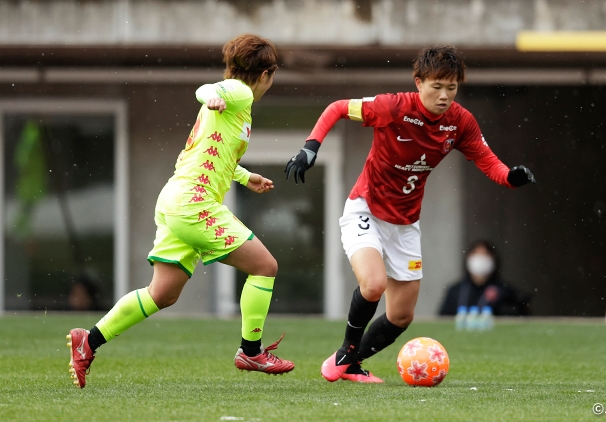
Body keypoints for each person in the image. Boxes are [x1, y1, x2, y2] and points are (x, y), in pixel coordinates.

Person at [285, 45, 536, 384]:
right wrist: (310, 146)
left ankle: (353, 363)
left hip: (405, 223)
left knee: (401, 316)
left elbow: (486, 160)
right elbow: (337, 108)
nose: (445, 95)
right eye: (437, 86)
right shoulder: (392, 107)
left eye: (452, 88)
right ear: (418, 82)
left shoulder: (460, 122)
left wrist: (510, 177)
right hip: (366, 208)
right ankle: (346, 350)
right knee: (372, 285)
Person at [66, 34, 294, 389]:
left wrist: (245, 176)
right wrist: (213, 94)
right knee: (265, 267)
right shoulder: (240, 92)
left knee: (163, 293)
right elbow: (205, 89)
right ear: (266, 73)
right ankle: (251, 350)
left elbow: (211, 155)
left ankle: (88, 341)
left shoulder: (233, 105)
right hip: (194, 203)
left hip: (175, 198)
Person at [438, 240, 531, 316]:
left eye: (485, 254)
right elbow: (442, 320)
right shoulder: (455, 291)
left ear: (493, 260)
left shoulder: (505, 291)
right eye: (476, 254)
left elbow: (520, 318)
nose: (480, 259)